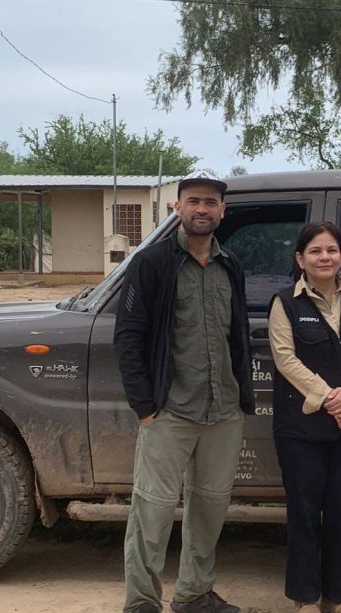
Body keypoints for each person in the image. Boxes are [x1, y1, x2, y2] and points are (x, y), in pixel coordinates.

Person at [114, 170, 254, 613]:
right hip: (168, 410)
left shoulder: (231, 265)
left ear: (222, 211)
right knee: (151, 511)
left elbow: (238, 337)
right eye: (193, 201)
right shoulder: (151, 263)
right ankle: (141, 602)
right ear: (177, 207)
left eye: (210, 203)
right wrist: (144, 406)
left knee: (209, 509)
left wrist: (240, 397)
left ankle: (194, 594)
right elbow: (129, 336)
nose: (201, 209)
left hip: (223, 411)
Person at [268, 222, 341, 613]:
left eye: (331, 250)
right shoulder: (285, 302)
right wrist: (332, 399)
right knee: (304, 511)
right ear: (300, 259)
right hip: (302, 429)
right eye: (315, 251)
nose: (325, 257)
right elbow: (285, 359)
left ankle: (338, 597)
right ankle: (306, 596)